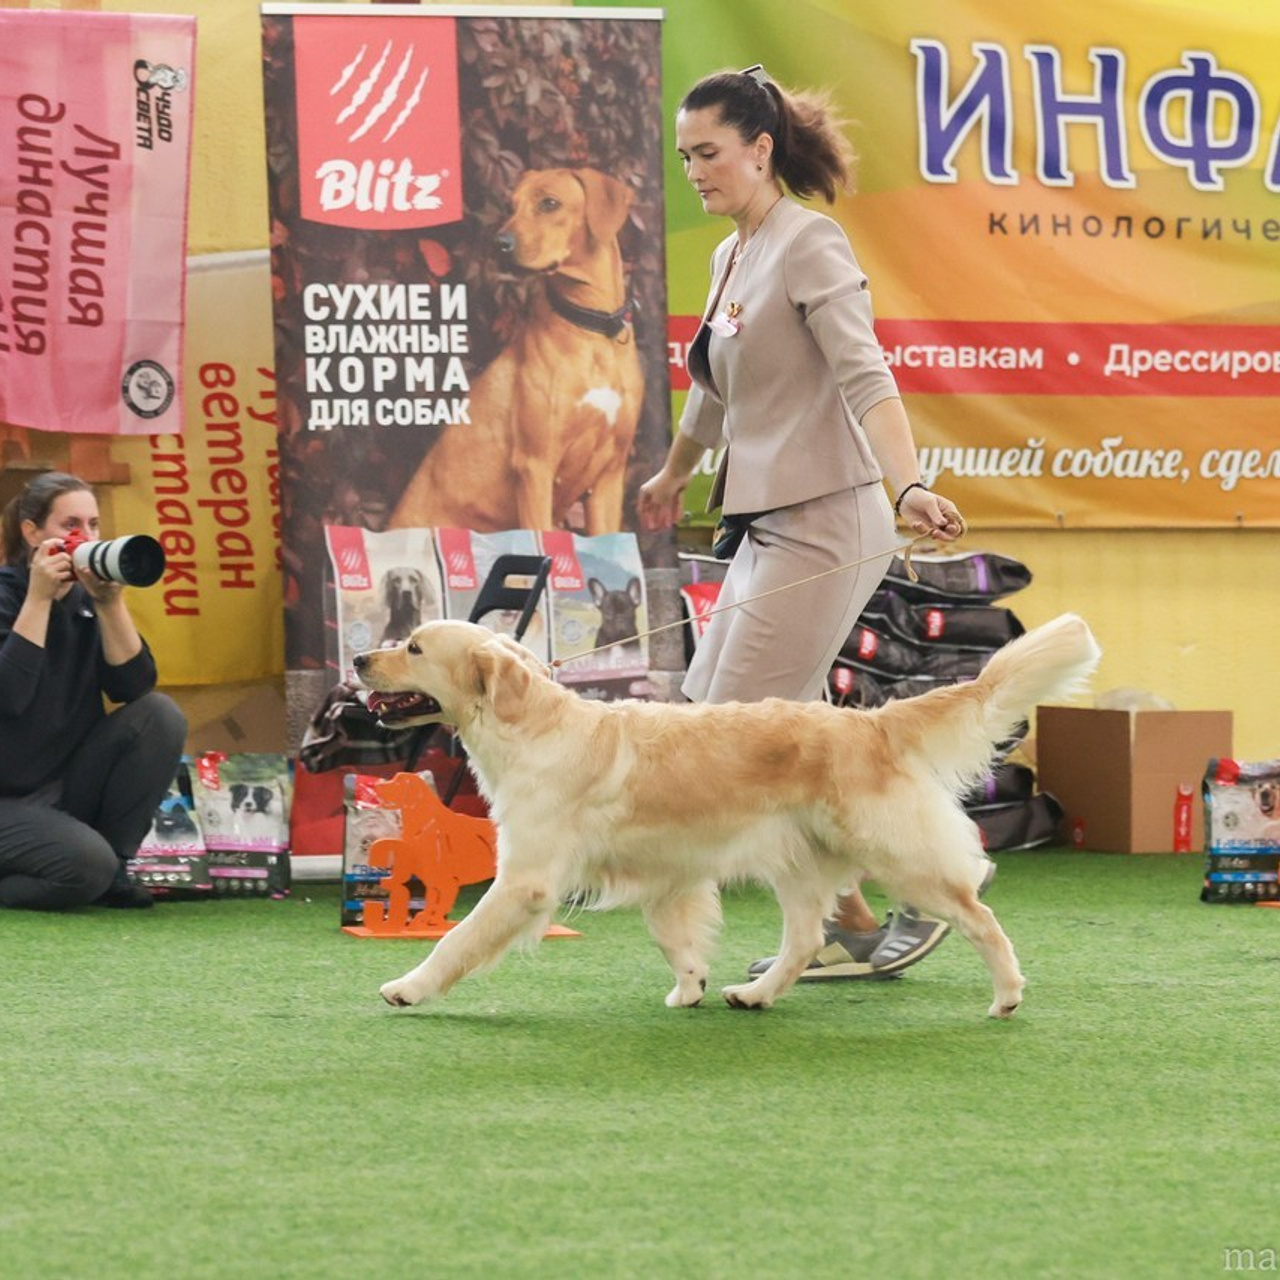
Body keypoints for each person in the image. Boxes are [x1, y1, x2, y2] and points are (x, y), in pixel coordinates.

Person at [637, 65, 988, 981]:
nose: (696, 173)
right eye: (685, 159)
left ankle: (905, 900)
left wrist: (907, 486)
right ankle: (863, 923)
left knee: (722, 736)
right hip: (761, 529)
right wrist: (674, 474)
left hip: (830, 526)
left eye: (709, 154)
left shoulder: (809, 242)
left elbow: (867, 375)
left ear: (761, 149)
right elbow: (713, 392)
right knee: (741, 728)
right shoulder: (729, 257)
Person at [0, 472, 186, 910]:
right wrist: (40, 599)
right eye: (71, 525)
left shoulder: (85, 600)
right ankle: (92, 870)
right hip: (5, 798)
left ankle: (114, 866)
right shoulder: (7, 594)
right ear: (32, 532)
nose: (85, 536)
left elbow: (134, 688)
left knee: (159, 715)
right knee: (84, 867)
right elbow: (9, 695)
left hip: (61, 787)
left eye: (94, 524)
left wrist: (109, 603)